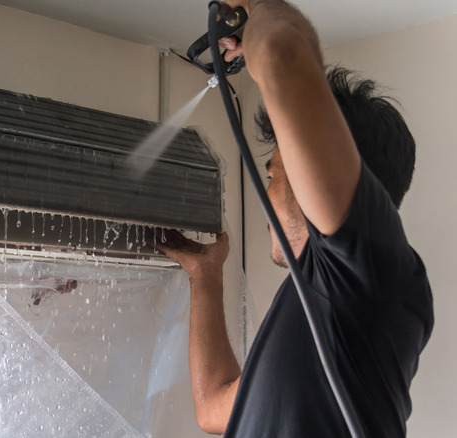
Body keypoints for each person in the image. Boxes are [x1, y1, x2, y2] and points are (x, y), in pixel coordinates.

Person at [157, 0, 434, 436]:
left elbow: (285, 54)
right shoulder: (321, 301)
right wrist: (205, 276)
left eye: (275, 176)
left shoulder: (373, 269)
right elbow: (214, 407)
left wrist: (255, 5)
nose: (266, 192)